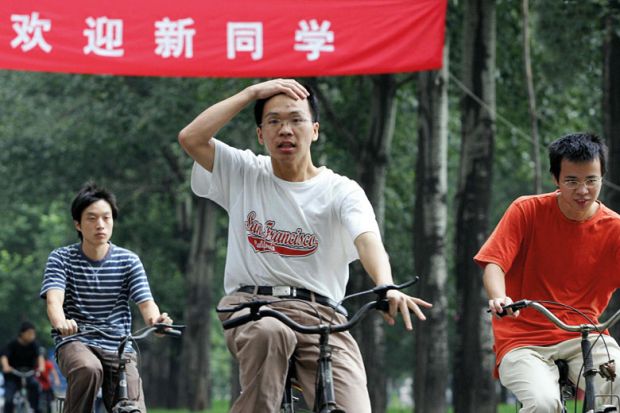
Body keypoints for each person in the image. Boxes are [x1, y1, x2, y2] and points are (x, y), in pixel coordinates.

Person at [178, 78, 432, 412]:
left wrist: (385, 285)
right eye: (274, 121)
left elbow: (367, 239)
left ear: (314, 130)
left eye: (296, 120)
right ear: (260, 134)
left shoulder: (342, 191)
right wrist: (252, 93)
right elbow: (190, 138)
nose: (285, 130)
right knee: (271, 333)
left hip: (322, 314)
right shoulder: (243, 172)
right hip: (254, 307)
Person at [475, 132, 620, 412]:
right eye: (571, 181)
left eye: (591, 180)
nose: (583, 191)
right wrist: (499, 297)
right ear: (555, 179)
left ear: (602, 176)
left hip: (585, 334)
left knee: (616, 387)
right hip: (521, 339)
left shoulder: (614, 228)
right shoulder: (526, 210)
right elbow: (494, 262)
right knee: (543, 404)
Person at [40, 183, 173, 413]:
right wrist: (61, 323)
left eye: (106, 217)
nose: (100, 224)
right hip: (76, 341)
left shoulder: (128, 261)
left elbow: (146, 303)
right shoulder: (61, 258)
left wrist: (157, 322)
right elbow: (54, 301)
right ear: (78, 224)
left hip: (120, 346)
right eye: (91, 218)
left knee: (133, 408)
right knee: (88, 368)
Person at [0, 322, 44, 413]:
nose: (32, 336)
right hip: (12, 375)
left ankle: (35, 409)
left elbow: (40, 356)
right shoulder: (12, 344)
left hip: (28, 374)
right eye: (30, 333)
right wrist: (6, 366)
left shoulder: (34, 345)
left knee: (36, 386)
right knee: (9, 398)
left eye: (33, 333)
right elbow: (4, 356)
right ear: (22, 333)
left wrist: (41, 366)